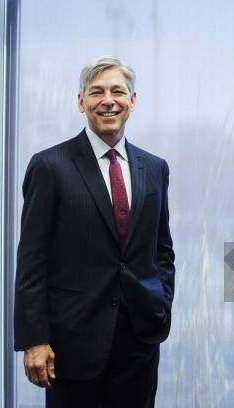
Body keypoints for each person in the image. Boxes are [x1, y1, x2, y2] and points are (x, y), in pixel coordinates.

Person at [13, 56, 175, 408]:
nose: (108, 100)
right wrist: (34, 339)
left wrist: (161, 307)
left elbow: (162, 251)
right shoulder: (50, 166)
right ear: (81, 101)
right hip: (71, 344)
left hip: (139, 342)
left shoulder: (155, 168)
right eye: (96, 91)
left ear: (132, 101)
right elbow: (31, 261)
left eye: (118, 91)